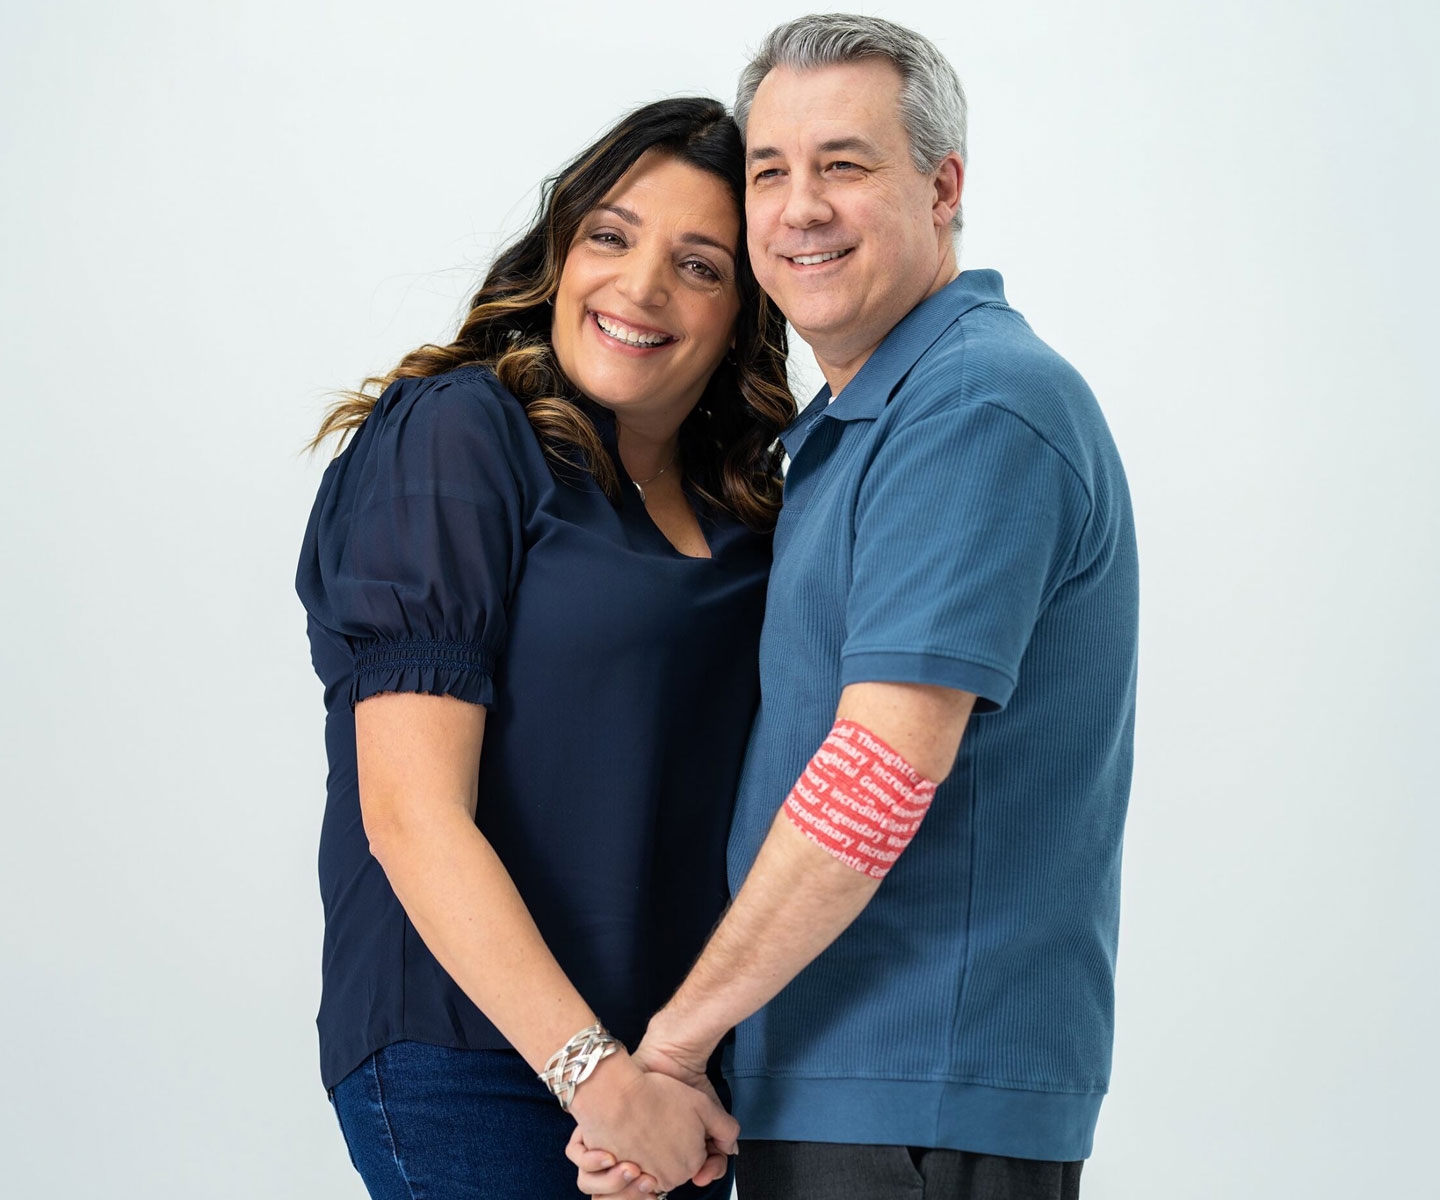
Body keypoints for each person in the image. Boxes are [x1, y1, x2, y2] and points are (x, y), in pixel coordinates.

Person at [572, 14, 1139, 1200]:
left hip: (914, 1093)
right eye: (769, 171)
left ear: (942, 187)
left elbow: (876, 778)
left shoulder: (974, 407)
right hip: (835, 1086)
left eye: (844, 164)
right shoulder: (854, 428)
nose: (797, 207)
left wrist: (670, 1047)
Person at [295, 96, 794, 1199]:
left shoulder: (752, 515)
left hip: (670, 1085)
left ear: (746, 308)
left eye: (701, 264)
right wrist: (594, 1079)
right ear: (561, 251)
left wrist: (655, 1081)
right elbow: (410, 812)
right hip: (473, 1052)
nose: (642, 286)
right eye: (611, 236)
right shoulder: (462, 434)